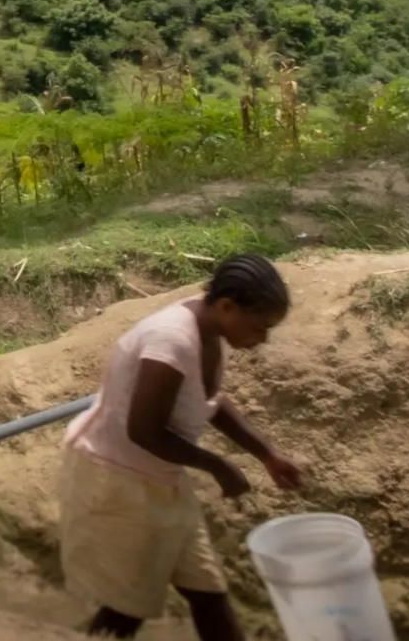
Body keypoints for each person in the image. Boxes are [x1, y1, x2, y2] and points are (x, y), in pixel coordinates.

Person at [58, 255, 305, 638]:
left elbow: (209, 401)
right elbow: (144, 430)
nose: (262, 339)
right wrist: (218, 466)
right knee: (128, 605)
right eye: (259, 327)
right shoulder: (170, 340)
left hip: (160, 481)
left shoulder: (207, 332)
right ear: (227, 306)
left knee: (208, 593)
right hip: (118, 481)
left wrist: (266, 455)